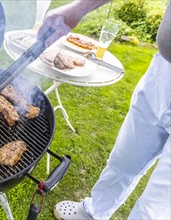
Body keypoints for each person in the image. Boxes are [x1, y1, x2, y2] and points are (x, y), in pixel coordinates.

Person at [38, 0, 171, 219]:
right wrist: (77, 9)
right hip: (163, 74)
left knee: (155, 209)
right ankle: (94, 212)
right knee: (123, 160)